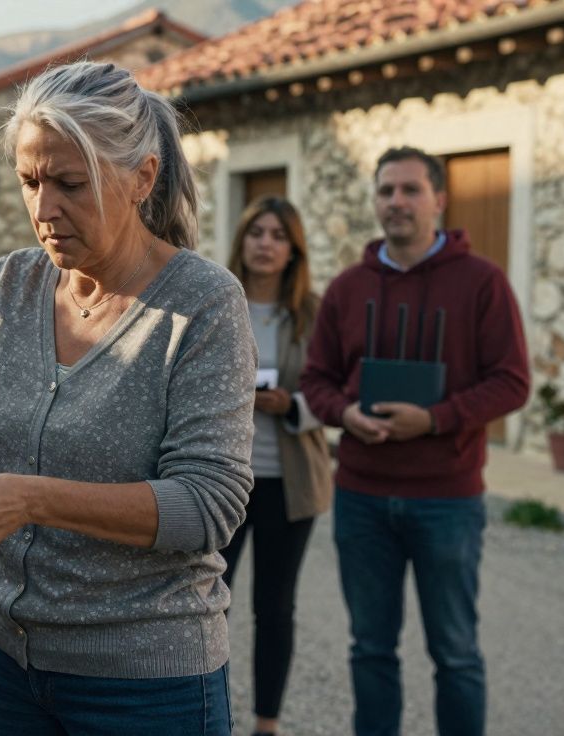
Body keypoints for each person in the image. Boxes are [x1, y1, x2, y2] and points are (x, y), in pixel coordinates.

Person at [0, 61, 254, 735]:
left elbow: (208, 506)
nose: (43, 210)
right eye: (30, 181)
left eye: (70, 184)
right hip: (8, 665)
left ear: (142, 178)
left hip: (145, 684)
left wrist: (31, 498)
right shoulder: (8, 289)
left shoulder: (203, 305)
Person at [301, 146, 530, 736]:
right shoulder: (349, 288)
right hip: (361, 499)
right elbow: (317, 380)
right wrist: (345, 414)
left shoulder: (483, 282)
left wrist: (433, 420)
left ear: (438, 200)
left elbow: (512, 381)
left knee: (455, 652)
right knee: (370, 649)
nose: (396, 202)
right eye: (386, 191)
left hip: (447, 500)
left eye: (409, 190)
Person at [221, 197, 332, 736]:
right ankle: (206, 708)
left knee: (275, 607)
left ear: (293, 250)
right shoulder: (216, 302)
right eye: (256, 232)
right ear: (241, 241)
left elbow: (335, 390)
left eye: (278, 235)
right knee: (206, 602)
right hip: (220, 482)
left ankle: (268, 722)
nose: (265, 243)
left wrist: (293, 405)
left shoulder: (314, 313)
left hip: (289, 484)